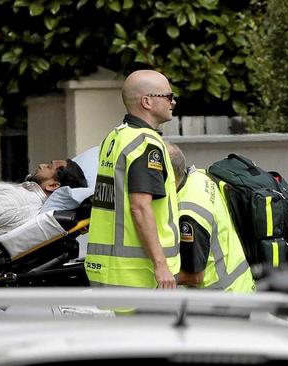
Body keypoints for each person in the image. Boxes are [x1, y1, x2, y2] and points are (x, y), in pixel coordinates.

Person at [85, 69, 180, 289]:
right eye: (168, 96)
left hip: (108, 267)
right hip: (138, 274)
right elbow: (140, 207)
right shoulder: (145, 144)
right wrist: (161, 265)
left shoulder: (115, 137)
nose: (173, 102)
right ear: (147, 102)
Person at [166, 142, 255, 292]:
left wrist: (155, 277)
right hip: (240, 288)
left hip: (223, 299)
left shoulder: (189, 215)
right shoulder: (199, 177)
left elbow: (194, 277)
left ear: (169, 176)